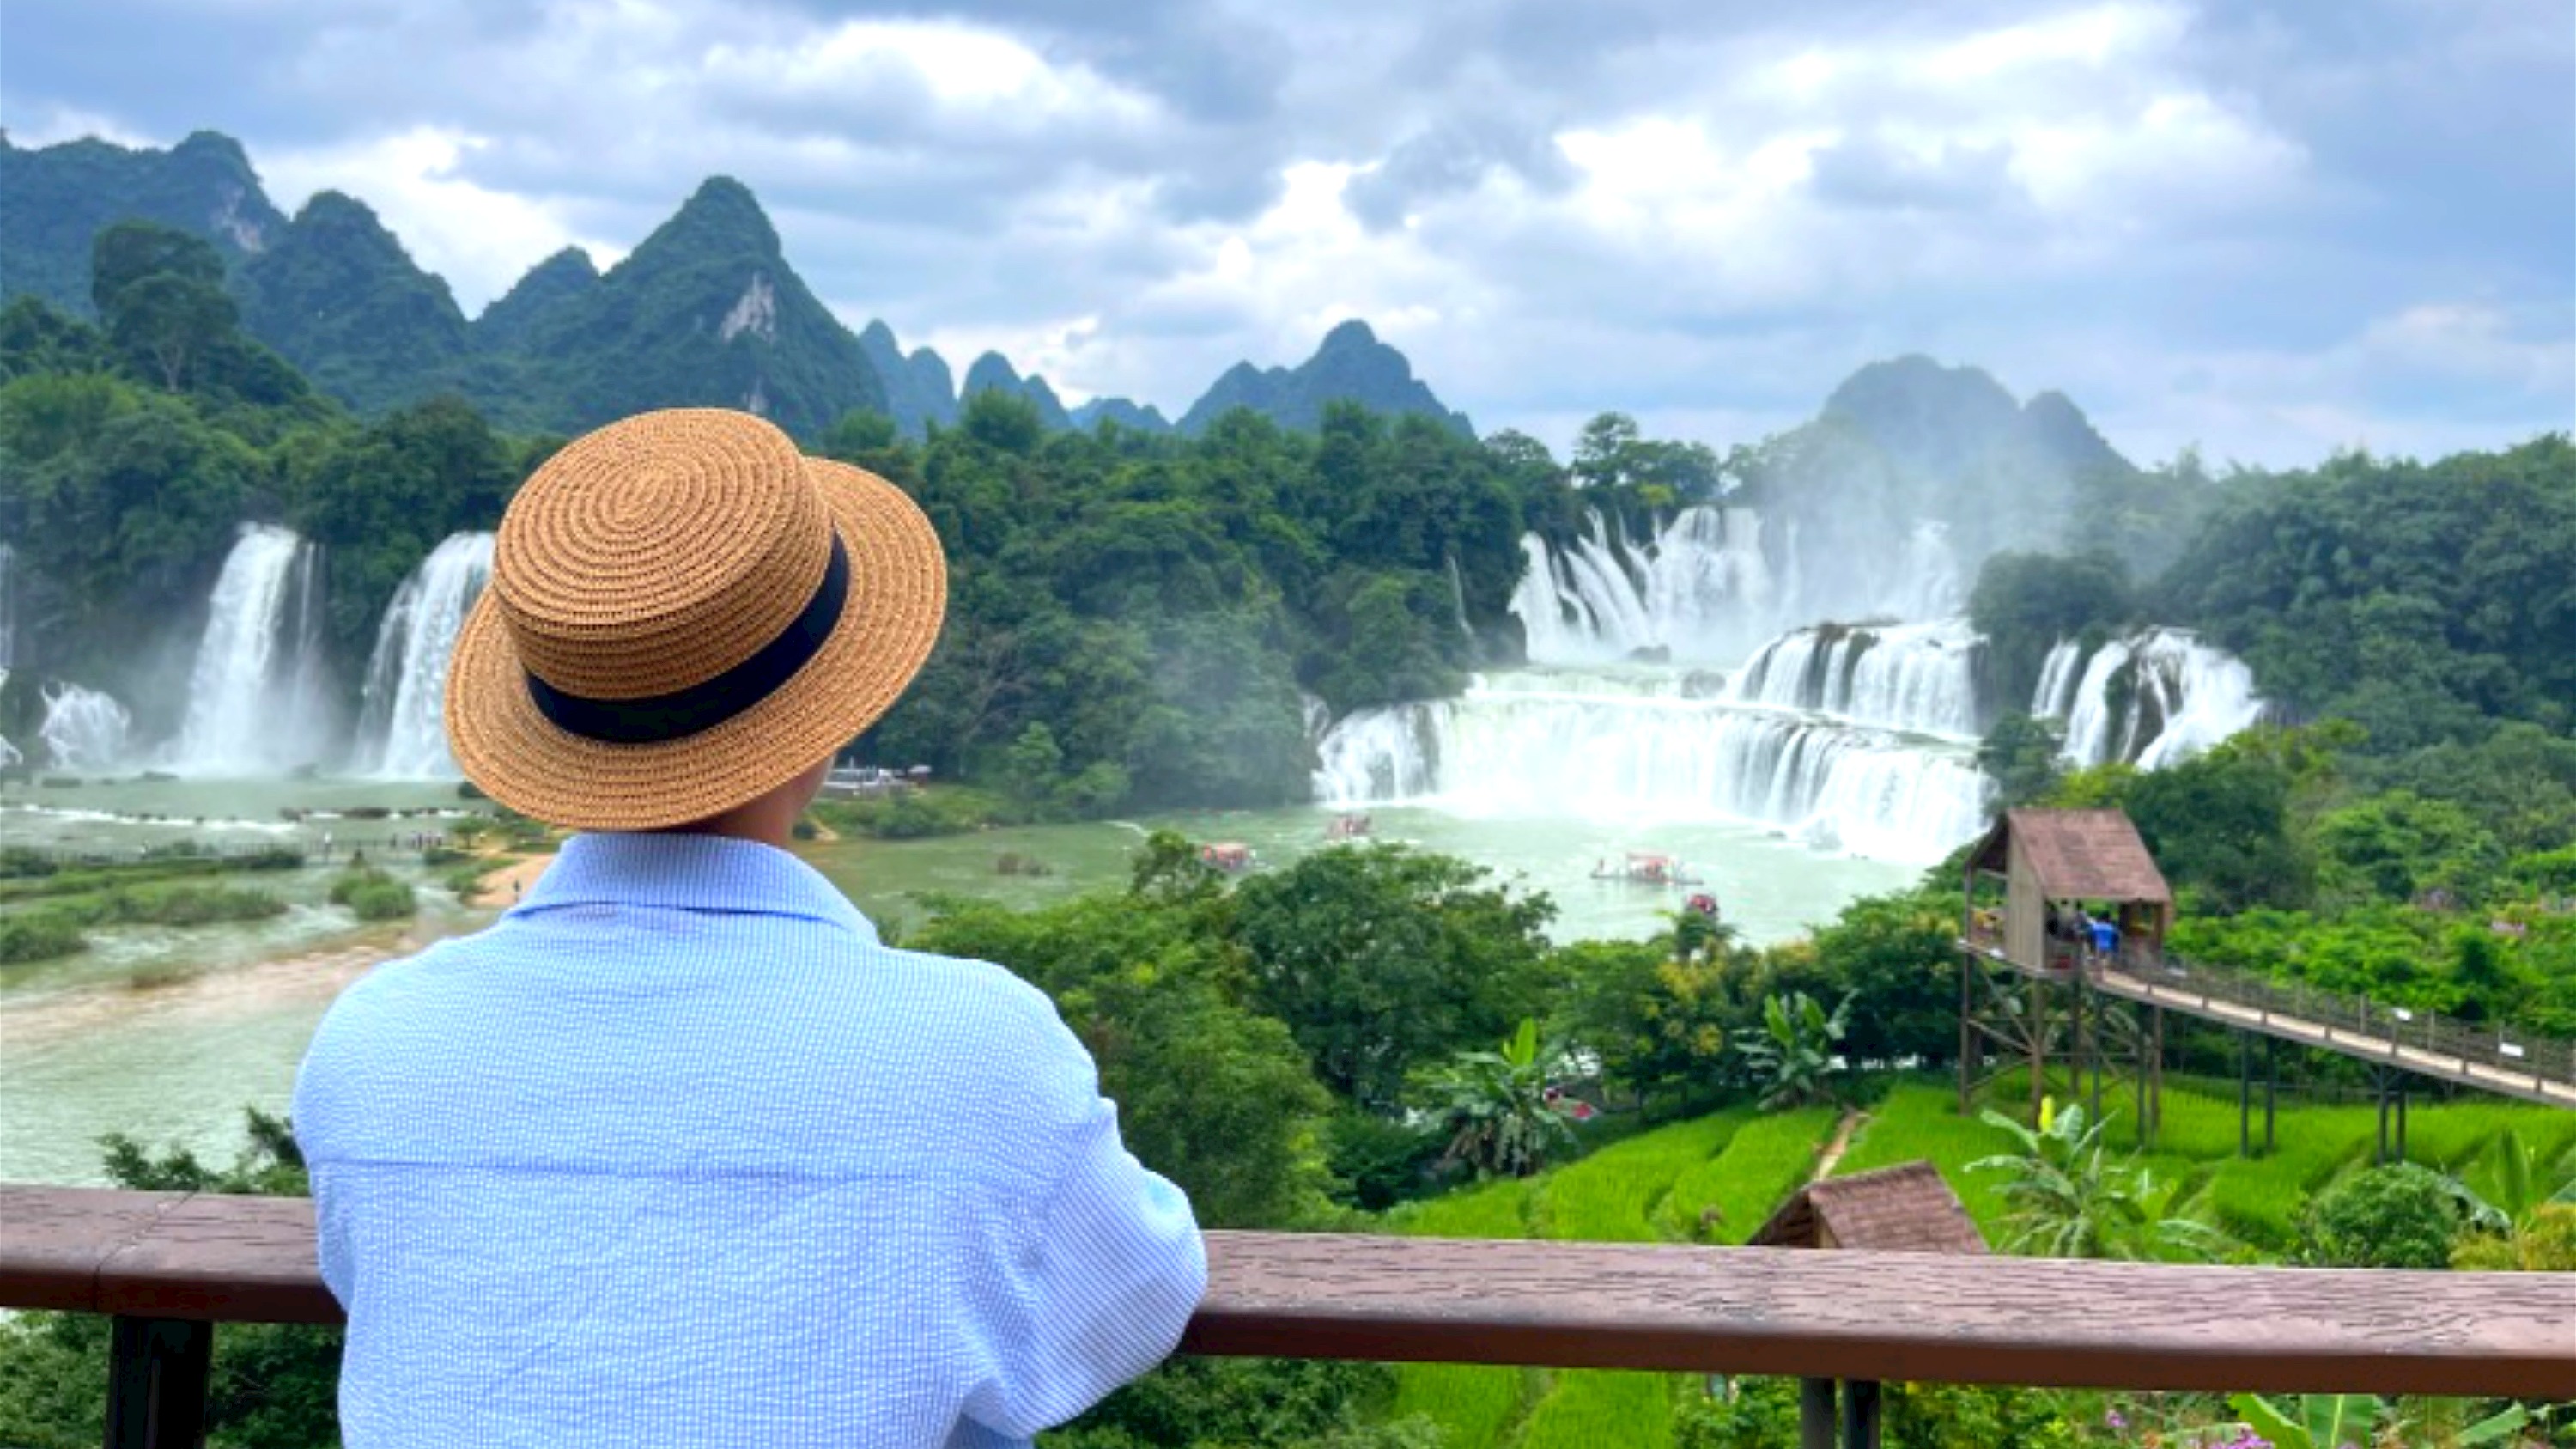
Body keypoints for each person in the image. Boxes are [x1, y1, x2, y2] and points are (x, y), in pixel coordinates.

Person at [292, 409, 1204, 1448]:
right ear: (830, 718)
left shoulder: (373, 1042)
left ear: (548, 723)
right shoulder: (977, 1047)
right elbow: (1135, 1294)